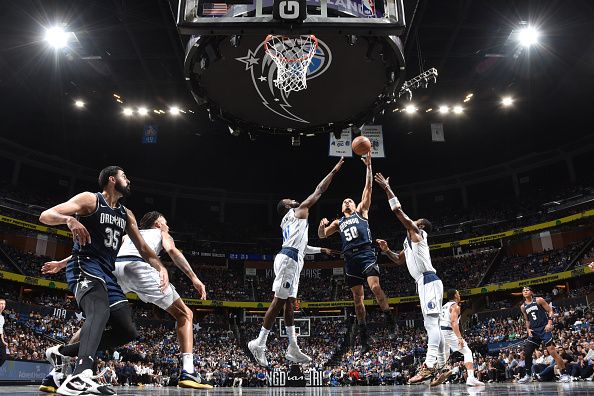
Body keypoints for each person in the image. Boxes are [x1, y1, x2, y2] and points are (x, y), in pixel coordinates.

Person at [41, 211, 211, 390]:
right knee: (185, 314)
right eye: (166, 223)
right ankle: (188, 371)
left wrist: (62, 263)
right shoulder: (161, 233)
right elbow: (172, 251)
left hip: (115, 268)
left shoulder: (128, 235)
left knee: (94, 321)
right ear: (158, 223)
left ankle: (55, 373)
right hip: (139, 267)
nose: (168, 226)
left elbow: (101, 249)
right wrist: (193, 277)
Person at [38, 166, 168, 396]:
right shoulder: (90, 200)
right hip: (85, 266)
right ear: (111, 179)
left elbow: (145, 250)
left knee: (126, 331)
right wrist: (70, 220)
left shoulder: (126, 215)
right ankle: (80, 376)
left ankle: (62, 352)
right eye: (124, 176)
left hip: (107, 274)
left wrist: (161, 267)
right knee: (99, 311)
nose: (128, 180)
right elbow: (46, 215)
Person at [248, 158, 343, 366]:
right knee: (279, 301)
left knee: (290, 303)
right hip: (289, 259)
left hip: (293, 257)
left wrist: (321, 249)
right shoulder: (298, 212)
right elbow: (319, 191)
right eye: (290, 199)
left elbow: (302, 246)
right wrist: (334, 171)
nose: (294, 199)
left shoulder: (291, 221)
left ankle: (293, 347)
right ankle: (259, 343)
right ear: (287, 206)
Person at [317, 153, 396, 354]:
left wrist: (368, 167)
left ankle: (389, 317)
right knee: (358, 301)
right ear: (341, 207)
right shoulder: (338, 222)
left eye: (350, 200)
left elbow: (368, 189)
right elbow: (322, 236)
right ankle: (363, 336)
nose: (347, 202)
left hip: (366, 254)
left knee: (375, 287)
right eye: (344, 201)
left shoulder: (362, 211)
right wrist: (320, 225)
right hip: (350, 259)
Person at [373, 172, 444, 384]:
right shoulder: (408, 241)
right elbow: (398, 260)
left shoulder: (418, 234)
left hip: (429, 280)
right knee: (432, 325)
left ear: (420, 226)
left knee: (431, 324)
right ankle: (440, 367)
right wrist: (386, 251)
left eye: (416, 221)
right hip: (422, 283)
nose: (413, 221)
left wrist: (387, 189)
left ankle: (430, 365)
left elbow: (398, 211)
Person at [517, 286, 570, 383]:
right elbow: (527, 320)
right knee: (527, 352)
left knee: (552, 352)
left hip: (544, 329)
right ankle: (528, 376)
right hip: (534, 331)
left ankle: (564, 373)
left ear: (531, 292)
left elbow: (550, 311)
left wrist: (549, 323)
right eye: (523, 291)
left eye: (527, 290)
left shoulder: (539, 300)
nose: (525, 291)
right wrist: (528, 329)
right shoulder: (523, 307)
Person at [437, 289, 484, 386]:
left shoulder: (444, 306)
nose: (459, 295)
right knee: (467, 352)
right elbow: (454, 322)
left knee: (443, 357)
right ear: (455, 295)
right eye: (458, 293)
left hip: (441, 332)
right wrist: (459, 337)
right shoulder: (455, 306)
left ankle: (430, 377)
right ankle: (471, 378)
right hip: (448, 332)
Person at [0, 299, 7, 368]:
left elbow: (1, 329)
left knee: (3, 357)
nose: (3, 305)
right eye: (1, 304)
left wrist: (3, 340)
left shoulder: (2, 317)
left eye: (4, 304)